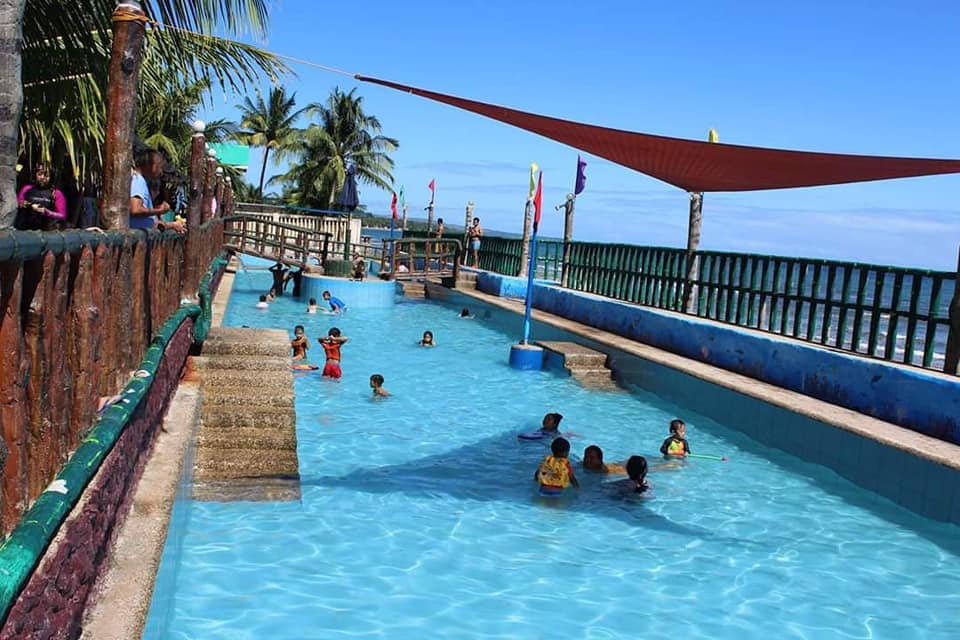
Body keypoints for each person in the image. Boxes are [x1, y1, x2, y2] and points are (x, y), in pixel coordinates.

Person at [129, 148, 185, 233]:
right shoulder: (138, 180)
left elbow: (150, 221)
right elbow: (135, 209)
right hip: (136, 236)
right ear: (149, 165)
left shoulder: (141, 181)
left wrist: (171, 225)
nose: (161, 171)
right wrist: (160, 210)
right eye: (159, 166)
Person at [16, 164, 67, 231]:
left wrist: (46, 212)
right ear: (35, 175)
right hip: (24, 229)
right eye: (40, 174)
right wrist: (29, 205)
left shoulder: (56, 193)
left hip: (45, 231)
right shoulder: (26, 189)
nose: (42, 177)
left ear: (51, 177)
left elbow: (62, 215)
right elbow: (18, 203)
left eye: (46, 175)